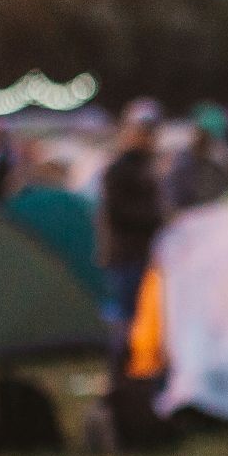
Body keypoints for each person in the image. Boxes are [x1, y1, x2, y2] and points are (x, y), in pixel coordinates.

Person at [97, 145, 164, 367]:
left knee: (136, 313)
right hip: (126, 255)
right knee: (128, 314)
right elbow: (119, 212)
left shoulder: (145, 170)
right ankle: (122, 367)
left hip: (138, 253)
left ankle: (133, 365)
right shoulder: (118, 172)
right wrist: (155, 217)